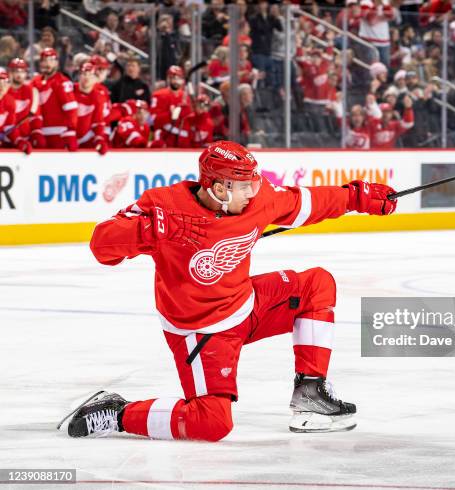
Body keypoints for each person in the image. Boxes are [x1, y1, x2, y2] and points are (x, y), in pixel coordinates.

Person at [65, 140, 397, 441]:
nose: (254, 192)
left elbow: (304, 203)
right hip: (201, 333)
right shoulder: (163, 206)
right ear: (218, 187)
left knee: (316, 284)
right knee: (212, 423)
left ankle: (310, 394)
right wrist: (151, 229)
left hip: (248, 305)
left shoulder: (257, 201)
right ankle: (118, 413)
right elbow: (101, 246)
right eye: (244, 186)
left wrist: (357, 197)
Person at [31, 47, 78, 150]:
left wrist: (71, 131)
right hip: (40, 134)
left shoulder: (62, 82)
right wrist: (35, 130)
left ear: (57, 63)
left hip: (59, 135)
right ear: (40, 63)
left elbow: (71, 110)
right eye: (44, 60)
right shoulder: (35, 82)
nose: (47, 64)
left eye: (51, 60)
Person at [8, 57, 45, 148]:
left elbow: (36, 116)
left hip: (26, 141)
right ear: (10, 73)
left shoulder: (31, 91)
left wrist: (36, 132)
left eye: (22, 71)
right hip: (6, 139)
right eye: (16, 71)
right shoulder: (3, 91)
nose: (19, 74)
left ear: (25, 73)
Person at [74, 62, 107, 154]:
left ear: (96, 79)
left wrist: (99, 139)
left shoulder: (98, 96)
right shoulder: (69, 91)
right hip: (66, 136)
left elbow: (98, 121)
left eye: (90, 75)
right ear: (79, 75)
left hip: (86, 138)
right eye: (84, 74)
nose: (87, 77)